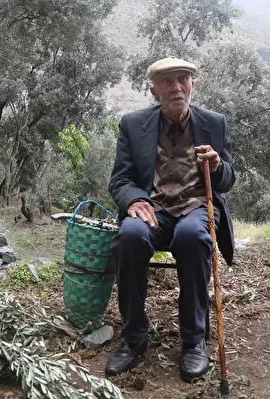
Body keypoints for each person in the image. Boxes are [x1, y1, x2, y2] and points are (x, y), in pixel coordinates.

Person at [106, 56, 236, 381]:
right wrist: (134, 199)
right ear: (154, 91)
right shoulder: (133, 125)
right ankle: (134, 337)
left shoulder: (214, 123)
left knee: (192, 237)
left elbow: (227, 180)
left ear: (192, 85)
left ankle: (193, 341)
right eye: (167, 81)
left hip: (196, 207)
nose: (176, 87)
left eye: (182, 79)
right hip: (154, 209)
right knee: (130, 235)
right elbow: (120, 180)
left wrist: (218, 166)